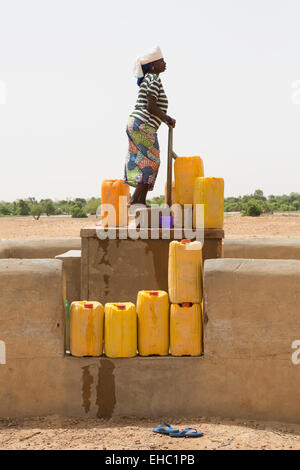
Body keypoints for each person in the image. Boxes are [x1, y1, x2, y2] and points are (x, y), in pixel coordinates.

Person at [124, 46, 176, 206]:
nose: (165, 63)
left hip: (138, 123)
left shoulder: (150, 79)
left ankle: (139, 200)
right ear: (153, 65)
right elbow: (150, 106)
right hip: (143, 125)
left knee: (144, 160)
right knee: (151, 161)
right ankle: (135, 199)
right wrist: (167, 118)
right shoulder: (153, 79)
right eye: (162, 61)